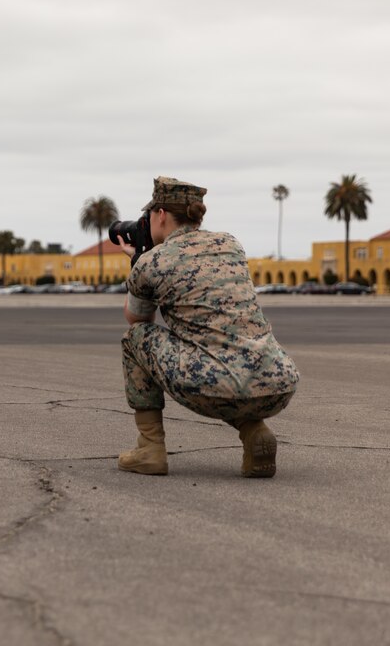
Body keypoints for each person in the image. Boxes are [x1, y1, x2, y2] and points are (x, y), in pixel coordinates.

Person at [116, 177, 299, 478]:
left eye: (149, 215)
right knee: (227, 357)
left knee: (136, 339)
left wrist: (138, 264)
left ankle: (150, 448)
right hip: (277, 382)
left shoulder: (152, 261)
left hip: (211, 385)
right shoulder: (230, 244)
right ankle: (254, 431)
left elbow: (137, 319)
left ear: (160, 214)